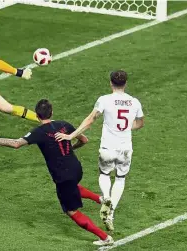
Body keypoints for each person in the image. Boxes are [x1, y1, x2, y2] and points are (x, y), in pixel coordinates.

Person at [0, 99, 114, 246]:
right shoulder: (64, 124)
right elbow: (84, 140)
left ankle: (105, 238)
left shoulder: (39, 132)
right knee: (72, 187)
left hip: (63, 175)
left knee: (71, 211)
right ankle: (101, 199)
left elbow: (16, 144)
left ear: (37, 115)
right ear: (52, 112)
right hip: (76, 168)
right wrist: (70, 149)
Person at [55, 70, 144, 232]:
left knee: (104, 175)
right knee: (120, 179)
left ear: (111, 83)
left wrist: (71, 136)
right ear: (125, 84)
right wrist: (125, 128)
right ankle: (111, 212)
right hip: (125, 148)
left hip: (107, 147)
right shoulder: (135, 102)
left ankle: (106, 199)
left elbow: (90, 120)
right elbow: (139, 124)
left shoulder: (104, 100)